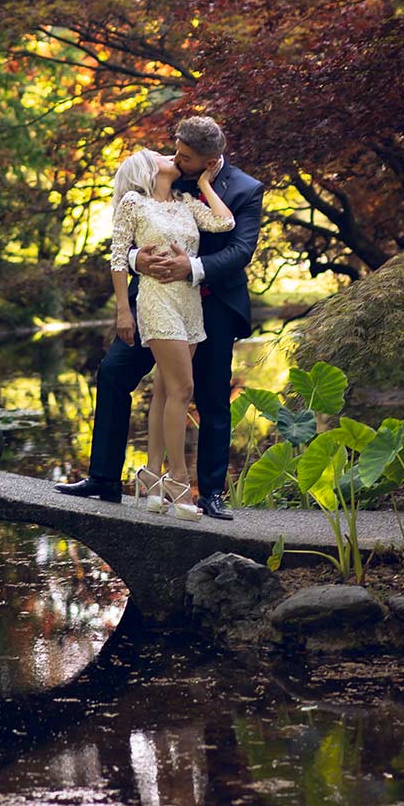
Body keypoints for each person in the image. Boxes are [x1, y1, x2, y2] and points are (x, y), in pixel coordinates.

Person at [55, 114, 264, 518]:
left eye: (185, 157)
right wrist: (139, 259)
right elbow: (126, 234)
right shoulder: (167, 173)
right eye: (176, 152)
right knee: (115, 373)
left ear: (208, 161)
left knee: (210, 395)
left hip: (213, 304)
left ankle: (211, 493)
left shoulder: (245, 189)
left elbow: (241, 250)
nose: (175, 158)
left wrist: (193, 267)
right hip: (154, 299)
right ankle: (104, 478)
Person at [107, 146, 235, 515]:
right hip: (156, 300)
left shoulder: (186, 201)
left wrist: (206, 183)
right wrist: (122, 311)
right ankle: (178, 482)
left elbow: (224, 223)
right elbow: (118, 256)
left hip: (189, 303)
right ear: (147, 169)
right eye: (161, 155)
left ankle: (150, 475)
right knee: (184, 388)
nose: (170, 156)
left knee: (165, 389)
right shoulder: (133, 202)